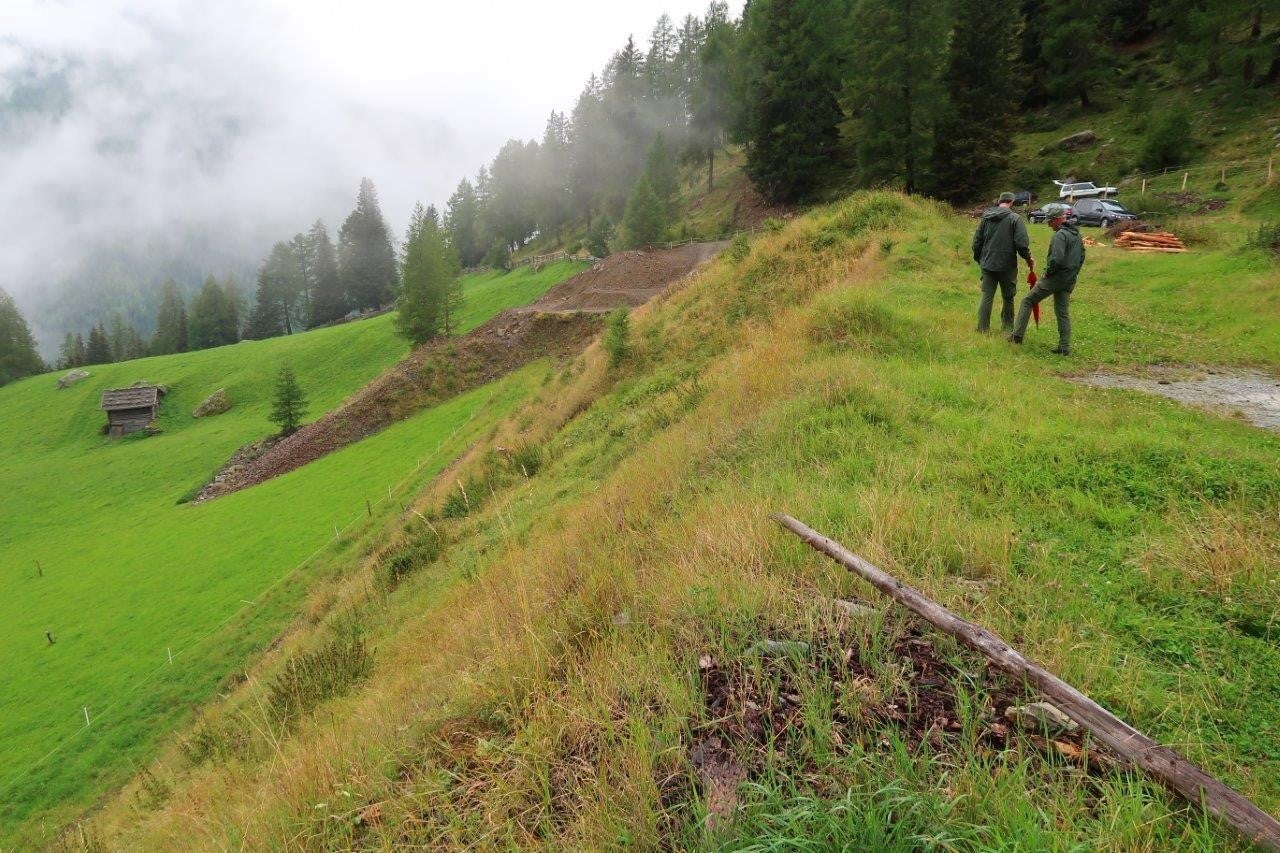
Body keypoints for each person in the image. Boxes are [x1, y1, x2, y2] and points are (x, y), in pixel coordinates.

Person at [1008, 203, 1085, 355]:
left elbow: (1056, 259)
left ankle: (1016, 336)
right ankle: (1064, 347)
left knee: (1028, 301)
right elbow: (1082, 257)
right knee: (1062, 312)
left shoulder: (1060, 235)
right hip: (1069, 279)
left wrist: (1047, 273)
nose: (1049, 224)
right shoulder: (1076, 235)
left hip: (1055, 278)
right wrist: (1073, 274)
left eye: (1050, 221)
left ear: (1058, 219)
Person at [971, 191, 1034, 332]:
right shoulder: (1015, 219)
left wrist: (979, 259)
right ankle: (1007, 328)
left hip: (987, 263)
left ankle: (982, 329)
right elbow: (1021, 244)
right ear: (1011, 203)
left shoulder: (986, 218)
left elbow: (976, 242)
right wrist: (1028, 258)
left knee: (987, 296)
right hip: (1007, 265)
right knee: (1008, 297)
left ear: (999, 202)